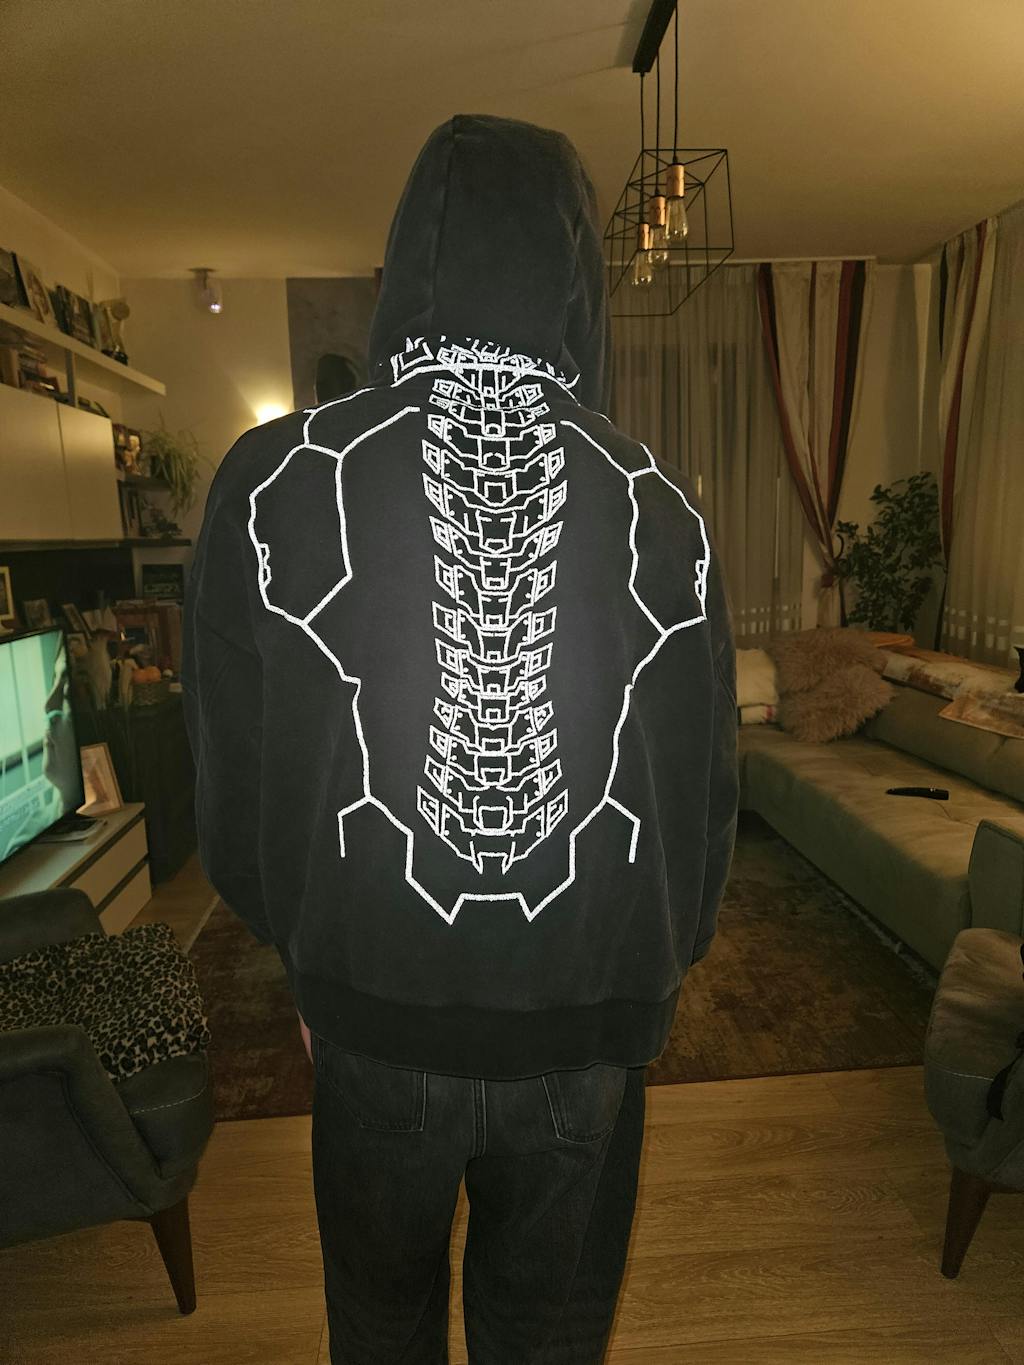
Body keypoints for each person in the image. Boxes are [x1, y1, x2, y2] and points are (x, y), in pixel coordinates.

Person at [183, 114, 737, 1364]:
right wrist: (653, 972)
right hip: (587, 1027)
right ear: (577, 275)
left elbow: (231, 780)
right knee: (546, 1335)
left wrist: (308, 959)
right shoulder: (666, 504)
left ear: (406, 260)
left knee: (380, 1327)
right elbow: (705, 790)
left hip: (374, 1013)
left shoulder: (267, 476)